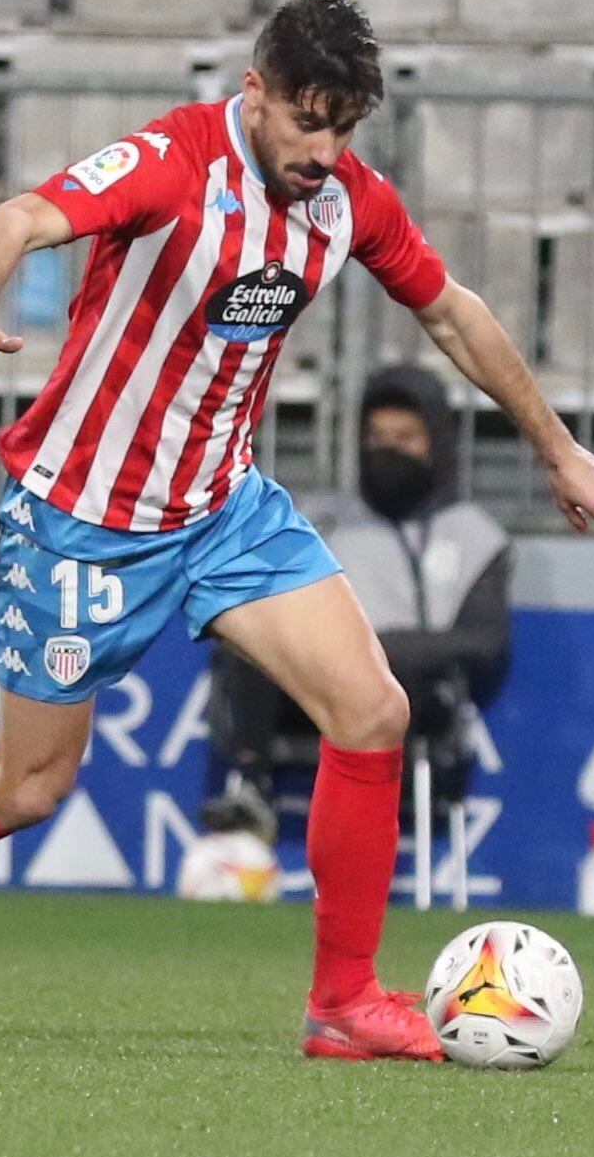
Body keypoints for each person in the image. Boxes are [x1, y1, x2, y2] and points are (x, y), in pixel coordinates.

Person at [0, 0, 594, 1060]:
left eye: (344, 128)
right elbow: (16, 222)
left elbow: (451, 310)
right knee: (29, 785)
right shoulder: (170, 163)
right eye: (305, 122)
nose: (322, 152)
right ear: (255, 94)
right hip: (81, 521)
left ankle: (343, 999)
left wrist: (557, 447)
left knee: (371, 709)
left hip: (223, 509)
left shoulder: (347, 201)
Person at [201, 362, 514, 867]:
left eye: (406, 437)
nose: (388, 450)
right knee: (249, 636)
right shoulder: (319, 519)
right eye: (377, 436)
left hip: (411, 695)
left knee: (387, 677)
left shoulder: (474, 534)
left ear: (437, 442)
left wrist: (374, 650)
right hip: (311, 686)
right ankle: (249, 787)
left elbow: (485, 640)